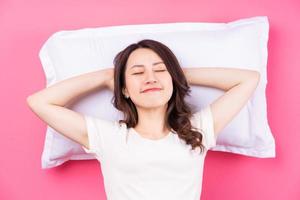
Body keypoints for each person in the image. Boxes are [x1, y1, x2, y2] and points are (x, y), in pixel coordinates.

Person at [27, 39, 260, 200]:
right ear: (125, 89)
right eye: (138, 73)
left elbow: (248, 79)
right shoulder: (108, 137)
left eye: (159, 70)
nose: (150, 78)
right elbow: (39, 102)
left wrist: (174, 74)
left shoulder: (198, 130)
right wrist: (108, 76)